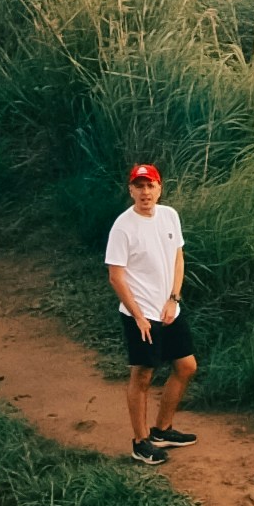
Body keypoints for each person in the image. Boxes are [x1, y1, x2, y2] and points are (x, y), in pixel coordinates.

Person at [103, 155, 197, 452]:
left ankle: (162, 430)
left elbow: (178, 257)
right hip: (139, 314)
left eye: (150, 185)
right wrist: (139, 317)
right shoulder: (123, 227)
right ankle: (140, 442)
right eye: (139, 186)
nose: (145, 192)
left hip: (169, 309)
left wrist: (173, 299)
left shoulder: (170, 216)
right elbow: (116, 277)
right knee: (142, 375)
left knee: (186, 366)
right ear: (130, 190)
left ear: (160, 188)